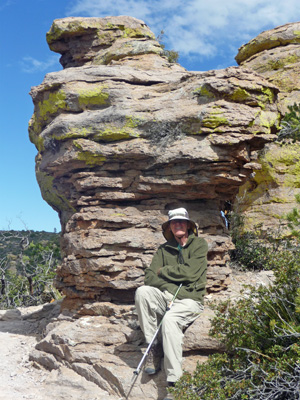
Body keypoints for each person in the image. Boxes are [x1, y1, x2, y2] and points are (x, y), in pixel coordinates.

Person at [135, 207, 208, 400]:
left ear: (188, 225)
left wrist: (163, 271)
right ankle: (153, 347)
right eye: (174, 222)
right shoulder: (163, 249)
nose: (178, 225)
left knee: (169, 321)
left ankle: (175, 384)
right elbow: (149, 277)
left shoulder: (199, 245)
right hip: (167, 296)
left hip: (190, 299)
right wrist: (167, 281)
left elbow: (191, 273)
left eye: (181, 222)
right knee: (142, 292)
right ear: (169, 227)